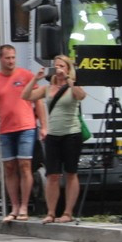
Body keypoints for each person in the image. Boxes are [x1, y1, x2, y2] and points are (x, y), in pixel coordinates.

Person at [0, 45, 45, 223]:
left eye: (13, 58)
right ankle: (15, 206)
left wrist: (42, 125)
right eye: (7, 58)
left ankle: (25, 206)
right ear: (0, 59)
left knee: (25, 165)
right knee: (9, 168)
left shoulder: (26, 76)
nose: (11, 61)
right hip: (5, 130)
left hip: (26, 126)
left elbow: (38, 101)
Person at [22, 55, 85, 224]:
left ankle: (68, 212)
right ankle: (51, 212)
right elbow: (26, 96)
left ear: (68, 68)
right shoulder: (48, 88)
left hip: (71, 133)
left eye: (62, 66)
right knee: (52, 175)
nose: (58, 69)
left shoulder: (73, 86)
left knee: (71, 173)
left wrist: (70, 80)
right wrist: (35, 78)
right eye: (56, 66)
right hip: (53, 135)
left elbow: (81, 96)